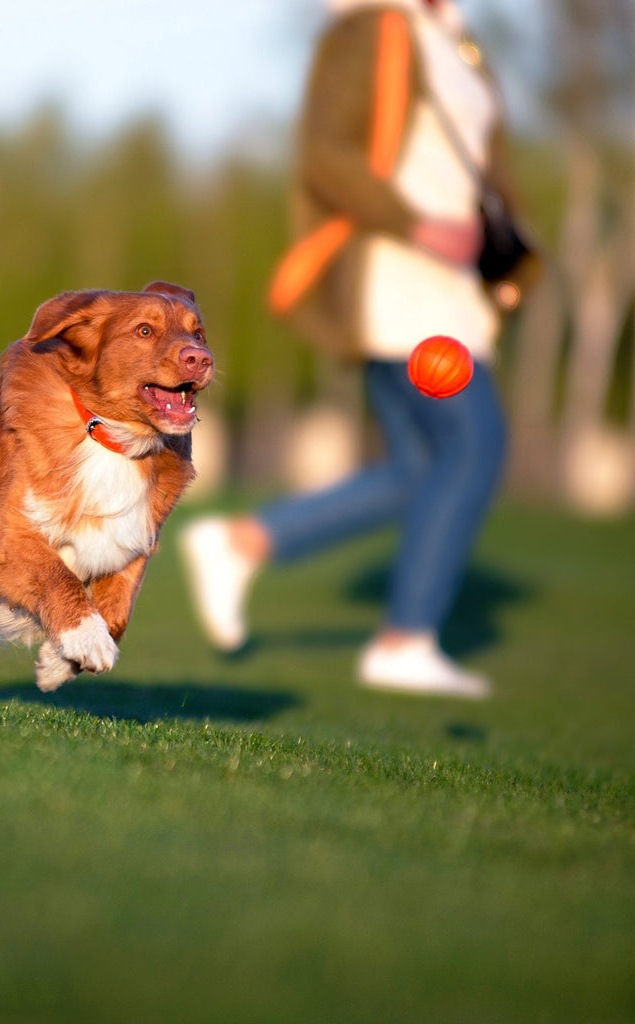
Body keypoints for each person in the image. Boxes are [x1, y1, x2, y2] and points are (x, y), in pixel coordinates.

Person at [182, 0, 537, 698]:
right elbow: (327, 155)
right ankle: (405, 640)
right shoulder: (369, 28)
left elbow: (482, 168)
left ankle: (241, 543)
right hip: (402, 277)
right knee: (474, 442)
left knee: (416, 467)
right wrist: (419, 225)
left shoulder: (458, 40)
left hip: (453, 287)